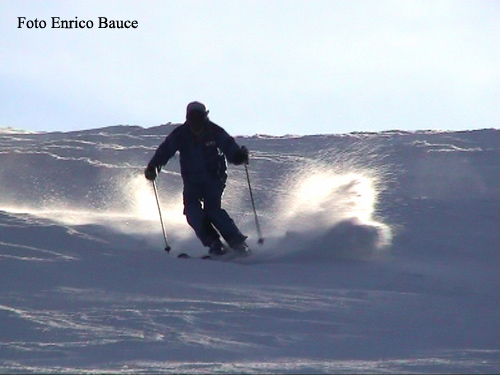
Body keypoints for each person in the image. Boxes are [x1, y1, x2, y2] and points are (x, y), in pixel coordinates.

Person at [144, 101, 249, 256]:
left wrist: (237, 155)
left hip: (214, 177)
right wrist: (154, 166)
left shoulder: (214, 131)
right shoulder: (180, 134)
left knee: (212, 209)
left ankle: (237, 242)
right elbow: (165, 150)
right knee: (192, 211)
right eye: (192, 120)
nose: (196, 124)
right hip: (192, 181)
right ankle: (214, 243)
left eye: (199, 119)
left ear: (204, 117)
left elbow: (228, 145)